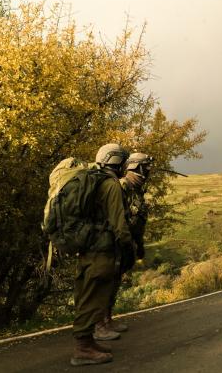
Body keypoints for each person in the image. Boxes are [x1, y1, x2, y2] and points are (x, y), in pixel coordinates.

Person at [71, 143, 133, 366]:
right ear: (115, 161)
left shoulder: (90, 180)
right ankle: (83, 349)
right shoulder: (110, 184)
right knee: (95, 297)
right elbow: (120, 224)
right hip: (102, 250)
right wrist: (129, 247)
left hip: (86, 247)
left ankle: (88, 342)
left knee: (85, 294)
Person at [101, 152, 153, 335]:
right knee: (107, 283)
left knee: (114, 282)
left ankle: (107, 320)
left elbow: (138, 220)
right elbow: (115, 218)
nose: (148, 173)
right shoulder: (120, 186)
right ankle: (100, 324)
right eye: (146, 169)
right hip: (112, 244)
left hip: (126, 245)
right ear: (137, 168)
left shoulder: (137, 190)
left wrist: (139, 246)